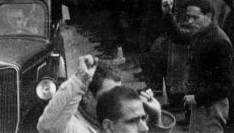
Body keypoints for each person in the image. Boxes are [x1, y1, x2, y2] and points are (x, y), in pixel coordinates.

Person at [38, 55, 173, 133]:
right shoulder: (71, 126)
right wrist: (80, 79)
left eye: (119, 92)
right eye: (109, 94)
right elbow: (47, 125)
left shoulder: (114, 119)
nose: (118, 100)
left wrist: (156, 118)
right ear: (86, 96)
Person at [161, 0, 233, 133]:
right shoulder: (201, 33)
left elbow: (226, 85)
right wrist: (167, 15)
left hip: (211, 106)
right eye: (188, 17)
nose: (189, 21)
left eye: (195, 17)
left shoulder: (219, 42)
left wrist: (198, 98)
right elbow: (179, 36)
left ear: (209, 16)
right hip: (200, 103)